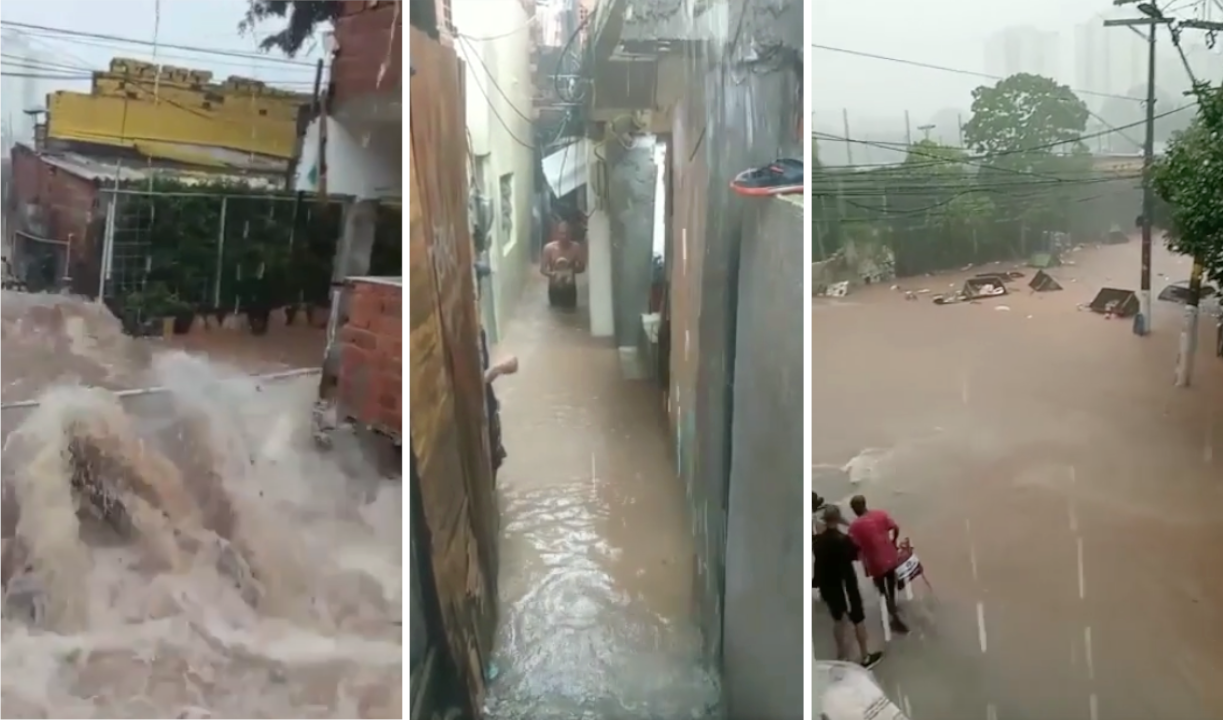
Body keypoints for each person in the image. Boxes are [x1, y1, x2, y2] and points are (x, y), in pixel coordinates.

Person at [813, 505, 883, 668]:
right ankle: (865, 656)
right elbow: (857, 554)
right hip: (846, 586)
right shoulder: (843, 540)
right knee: (858, 619)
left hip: (829, 588)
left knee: (837, 620)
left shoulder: (817, 542)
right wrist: (849, 528)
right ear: (838, 519)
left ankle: (841, 656)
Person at [848, 495, 909, 634]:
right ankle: (893, 603)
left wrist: (858, 554)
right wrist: (893, 541)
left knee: (881, 588)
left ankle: (891, 611)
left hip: (874, 563)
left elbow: (854, 545)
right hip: (889, 556)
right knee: (891, 581)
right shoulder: (880, 514)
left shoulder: (854, 527)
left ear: (854, 509)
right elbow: (895, 527)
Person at [541, 220, 586, 309]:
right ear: (557, 234)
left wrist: (571, 271)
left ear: (571, 234)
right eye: (562, 233)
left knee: (571, 315)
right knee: (554, 315)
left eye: (567, 234)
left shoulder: (576, 248)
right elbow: (542, 269)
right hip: (554, 288)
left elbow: (582, 267)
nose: (564, 236)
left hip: (570, 289)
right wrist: (553, 274)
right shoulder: (549, 248)